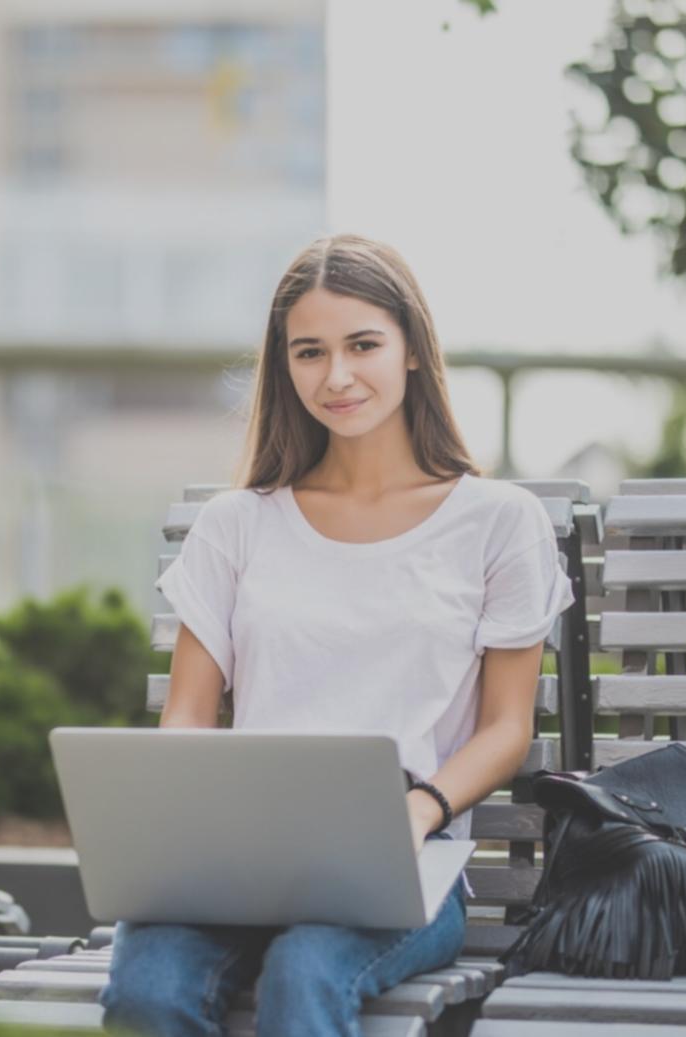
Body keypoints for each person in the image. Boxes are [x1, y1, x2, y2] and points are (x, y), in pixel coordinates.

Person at [98, 234, 577, 1037]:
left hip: (404, 864)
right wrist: (171, 830)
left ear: (412, 350)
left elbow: (505, 727)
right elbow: (184, 718)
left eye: (362, 345)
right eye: (309, 352)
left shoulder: (499, 522)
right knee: (146, 988)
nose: (337, 377)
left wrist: (421, 809)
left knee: (304, 972)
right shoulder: (235, 524)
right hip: (232, 863)